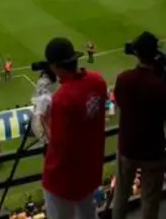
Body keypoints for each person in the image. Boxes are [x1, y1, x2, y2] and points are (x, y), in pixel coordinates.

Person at [112, 32, 166, 219]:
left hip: (127, 146)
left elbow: (120, 103)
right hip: (153, 150)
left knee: (120, 195)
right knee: (150, 200)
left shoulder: (123, 79)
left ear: (136, 53)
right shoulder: (160, 86)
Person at [41, 37, 108, 219]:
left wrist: (43, 120)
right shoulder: (98, 81)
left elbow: (58, 145)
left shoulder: (63, 99)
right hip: (90, 171)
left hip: (63, 180)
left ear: (54, 65)